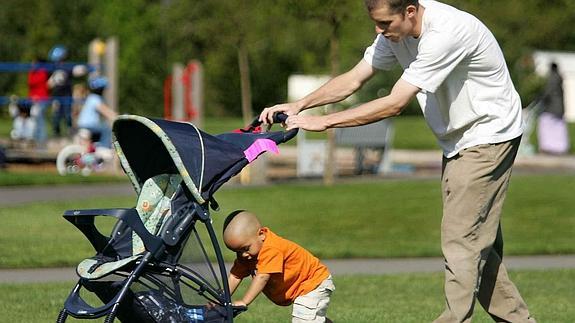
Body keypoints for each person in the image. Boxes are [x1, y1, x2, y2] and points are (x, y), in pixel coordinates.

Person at [260, 1, 535, 322]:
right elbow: (353, 80)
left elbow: (394, 103)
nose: (378, 31)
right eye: (376, 23)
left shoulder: (445, 33)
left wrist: (323, 122)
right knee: (478, 246)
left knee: (461, 240)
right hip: (458, 142)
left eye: (384, 23)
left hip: (489, 136)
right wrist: (301, 104)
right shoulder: (395, 35)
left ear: (409, 11)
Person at [223, 210, 335, 322]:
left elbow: (262, 277)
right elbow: (235, 276)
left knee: (303, 320)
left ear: (261, 234)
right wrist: (221, 298)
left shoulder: (271, 249)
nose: (243, 255)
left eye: (246, 248)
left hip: (312, 283)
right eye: (237, 251)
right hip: (302, 286)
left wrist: (244, 301)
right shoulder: (248, 255)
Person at [537, 62, 570, 155]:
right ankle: (560, 148)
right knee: (559, 128)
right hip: (559, 109)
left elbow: (548, 92)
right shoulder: (560, 78)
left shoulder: (552, 78)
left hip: (551, 108)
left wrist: (540, 98)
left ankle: (547, 147)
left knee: (545, 126)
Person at [76, 76, 117, 149]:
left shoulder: (90, 97)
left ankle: (96, 148)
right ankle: (104, 148)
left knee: (101, 128)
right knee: (106, 128)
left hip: (83, 125)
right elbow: (106, 111)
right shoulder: (95, 98)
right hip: (88, 125)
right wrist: (116, 116)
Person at [48, 45, 74, 137]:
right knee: (56, 114)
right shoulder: (52, 69)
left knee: (67, 114)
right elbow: (49, 83)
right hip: (56, 95)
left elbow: (74, 72)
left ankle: (69, 131)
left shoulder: (67, 68)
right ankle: (56, 132)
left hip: (66, 95)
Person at [28, 56, 50, 146]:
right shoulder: (34, 72)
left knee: (40, 120)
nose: (32, 64)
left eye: (34, 63)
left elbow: (32, 82)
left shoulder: (42, 72)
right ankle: (37, 140)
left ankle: (41, 142)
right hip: (35, 100)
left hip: (41, 99)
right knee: (36, 120)